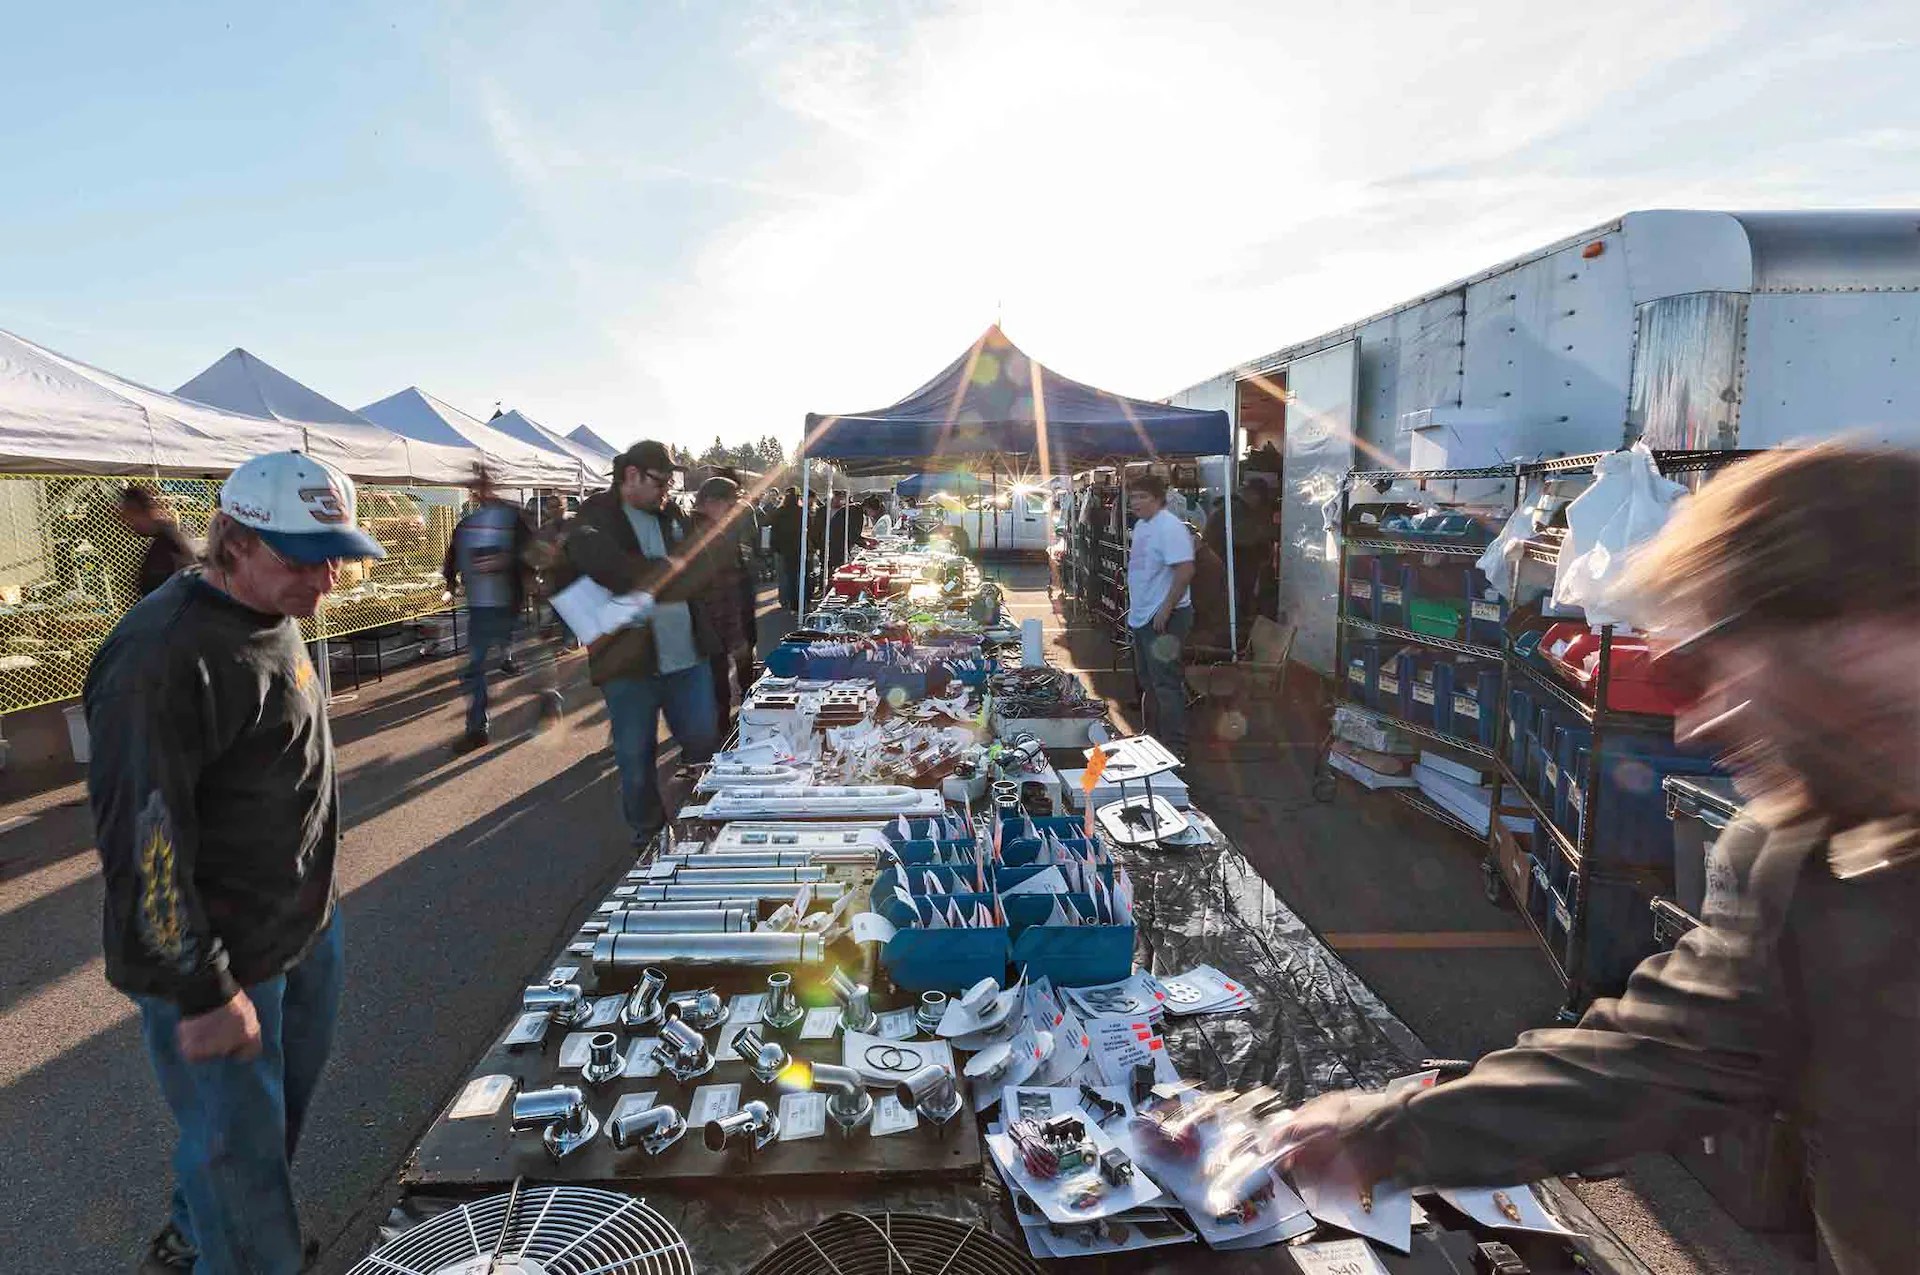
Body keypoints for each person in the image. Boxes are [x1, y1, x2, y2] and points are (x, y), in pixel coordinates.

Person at [1279, 445, 1919, 1275]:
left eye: (1711, 665)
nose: (1701, 726)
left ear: (1867, 632)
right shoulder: (1803, 863)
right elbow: (1650, 1060)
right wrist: (1384, 1133)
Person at [85, 451, 385, 1275]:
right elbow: (144, 843)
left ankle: (203, 1224)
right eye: (300, 557)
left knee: (261, 1129)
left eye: (336, 556)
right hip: (220, 960)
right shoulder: (158, 657)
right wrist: (203, 989)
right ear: (235, 540)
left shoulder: (273, 609)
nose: (325, 580)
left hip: (299, 927)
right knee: (242, 1156)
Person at [565, 441, 732, 845]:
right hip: (627, 664)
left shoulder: (673, 515)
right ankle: (650, 835)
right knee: (635, 757)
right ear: (632, 476)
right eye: (661, 480)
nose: (668, 489)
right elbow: (605, 567)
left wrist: (654, 579)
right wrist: (663, 573)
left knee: (704, 738)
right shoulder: (595, 517)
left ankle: (709, 822)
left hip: (685, 655)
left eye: (670, 482)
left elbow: (703, 570)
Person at [443, 472, 532, 750]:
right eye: (474, 487)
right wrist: (450, 580)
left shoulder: (510, 518)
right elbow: (453, 555)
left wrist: (509, 563)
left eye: (482, 485)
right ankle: (477, 728)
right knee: (472, 669)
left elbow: (532, 551)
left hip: (508, 604)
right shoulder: (466, 525)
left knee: (534, 660)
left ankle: (549, 702)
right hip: (480, 608)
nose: (478, 491)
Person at [1124, 473, 1196, 758]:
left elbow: (1185, 570)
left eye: (1142, 497)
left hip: (1164, 617)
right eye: (1133, 497)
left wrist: (1165, 609)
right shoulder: (1143, 526)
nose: (1135, 503)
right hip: (1143, 616)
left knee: (1166, 683)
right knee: (1147, 680)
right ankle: (1152, 738)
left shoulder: (1170, 527)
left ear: (1157, 499)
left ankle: (1175, 746)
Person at [689, 476, 756, 736]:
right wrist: (736, 635)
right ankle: (719, 735)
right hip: (712, 624)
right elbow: (718, 591)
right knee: (716, 683)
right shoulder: (705, 535)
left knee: (717, 683)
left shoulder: (706, 530)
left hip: (715, 623)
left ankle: (720, 728)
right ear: (711, 502)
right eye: (730, 506)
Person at [116, 483, 198, 601]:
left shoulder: (169, 542)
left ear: (138, 511)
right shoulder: (161, 540)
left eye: (129, 517)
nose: (128, 524)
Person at [771, 486, 803, 610]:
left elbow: (773, 530)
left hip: (782, 548)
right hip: (798, 547)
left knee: (784, 576)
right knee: (797, 575)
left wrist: (775, 547)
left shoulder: (779, 512)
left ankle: (784, 600)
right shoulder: (801, 511)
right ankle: (796, 602)